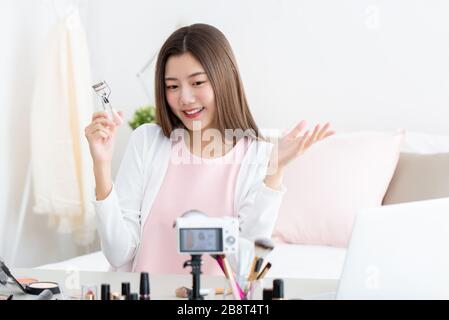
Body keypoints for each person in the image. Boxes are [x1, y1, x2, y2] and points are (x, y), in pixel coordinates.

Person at [84, 23, 335, 274]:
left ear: (224, 79)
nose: (185, 98)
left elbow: (247, 267)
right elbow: (118, 254)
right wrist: (101, 166)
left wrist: (274, 173)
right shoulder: (147, 141)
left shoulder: (256, 155)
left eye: (197, 83)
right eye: (172, 86)